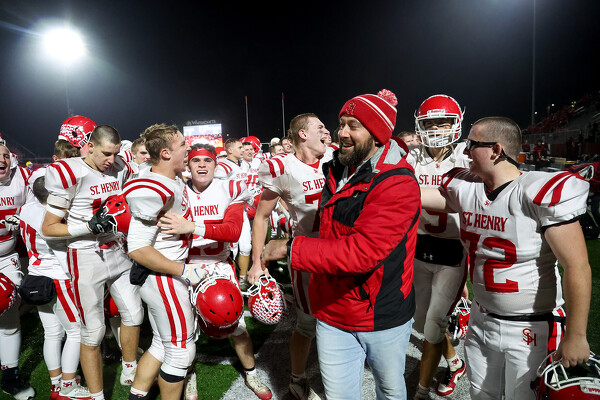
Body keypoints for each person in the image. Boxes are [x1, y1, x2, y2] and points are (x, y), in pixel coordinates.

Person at [260, 89, 421, 400]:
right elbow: (331, 234)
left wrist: (290, 248)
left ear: (377, 134)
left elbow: (362, 253)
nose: (341, 133)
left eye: (353, 126)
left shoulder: (396, 181)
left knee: (390, 390)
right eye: (342, 124)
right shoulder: (338, 168)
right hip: (332, 308)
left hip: (380, 312)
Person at [420, 116, 591, 399]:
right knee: (480, 394)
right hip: (481, 318)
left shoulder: (536, 192)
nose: (464, 151)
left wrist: (577, 335)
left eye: (472, 145)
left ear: (496, 150)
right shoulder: (467, 188)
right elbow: (418, 196)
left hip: (531, 325)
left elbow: (577, 267)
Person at [158, 144, 273, 400]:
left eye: (207, 160)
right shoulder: (175, 191)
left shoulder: (229, 188)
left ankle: (251, 373)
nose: (202, 164)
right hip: (185, 267)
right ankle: (189, 373)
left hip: (219, 265)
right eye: (196, 160)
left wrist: (191, 226)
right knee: (187, 330)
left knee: (236, 325)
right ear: (187, 165)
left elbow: (232, 231)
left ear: (215, 165)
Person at [42, 125, 143, 400]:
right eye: (106, 153)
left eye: (115, 153)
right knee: (93, 332)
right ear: (89, 146)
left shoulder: (121, 167)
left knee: (134, 314)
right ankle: (97, 396)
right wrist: (88, 226)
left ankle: (130, 368)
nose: (111, 160)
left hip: (117, 249)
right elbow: (48, 228)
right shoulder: (69, 172)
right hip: (86, 254)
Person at [249, 112, 332, 400]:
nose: (326, 132)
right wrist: (256, 262)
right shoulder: (282, 167)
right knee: (307, 324)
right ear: (302, 134)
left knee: (340, 319)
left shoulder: (335, 158)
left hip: (341, 252)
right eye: (320, 127)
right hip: (307, 255)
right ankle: (297, 380)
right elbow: (261, 216)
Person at [123, 124, 205, 400]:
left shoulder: (169, 177)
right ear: (166, 153)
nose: (188, 148)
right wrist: (183, 270)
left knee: (161, 344)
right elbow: (137, 248)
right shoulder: (153, 186)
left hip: (163, 275)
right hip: (163, 277)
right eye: (182, 145)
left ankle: (136, 397)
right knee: (181, 350)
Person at [409, 94, 470, 399]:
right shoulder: (411, 157)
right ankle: (455, 362)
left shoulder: (467, 157)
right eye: (430, 122)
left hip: (452, 253)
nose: (435, 128)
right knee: (422, 322)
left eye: (442, 122)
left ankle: (421, 392)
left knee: (433, 324)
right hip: (419, 249)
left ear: (456, 124)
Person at [19, 176, 91, 399]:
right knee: (76, 332)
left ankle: (56, 384)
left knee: (52, 333)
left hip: (36, 275)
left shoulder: (26, 209)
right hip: (58, 278)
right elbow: (62, 254)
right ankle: (68, 385)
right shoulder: (50, 218)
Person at [0, 143, 36, 399]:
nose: (2, 160)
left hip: (7, 256)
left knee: (9, 310)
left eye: (5, 155)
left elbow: (37, 208)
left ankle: (10, 376)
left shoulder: (22, 177)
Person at [215, 138, 253, 290]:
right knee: (232, 248)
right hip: (229, 211)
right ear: (230, 150)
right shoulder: (223, 166)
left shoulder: (245, 164)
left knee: (246, 246)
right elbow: (218, 189)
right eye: (239, 147)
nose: (243, 150)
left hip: (242, 210)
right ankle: (230, 279)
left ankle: (242, 280)